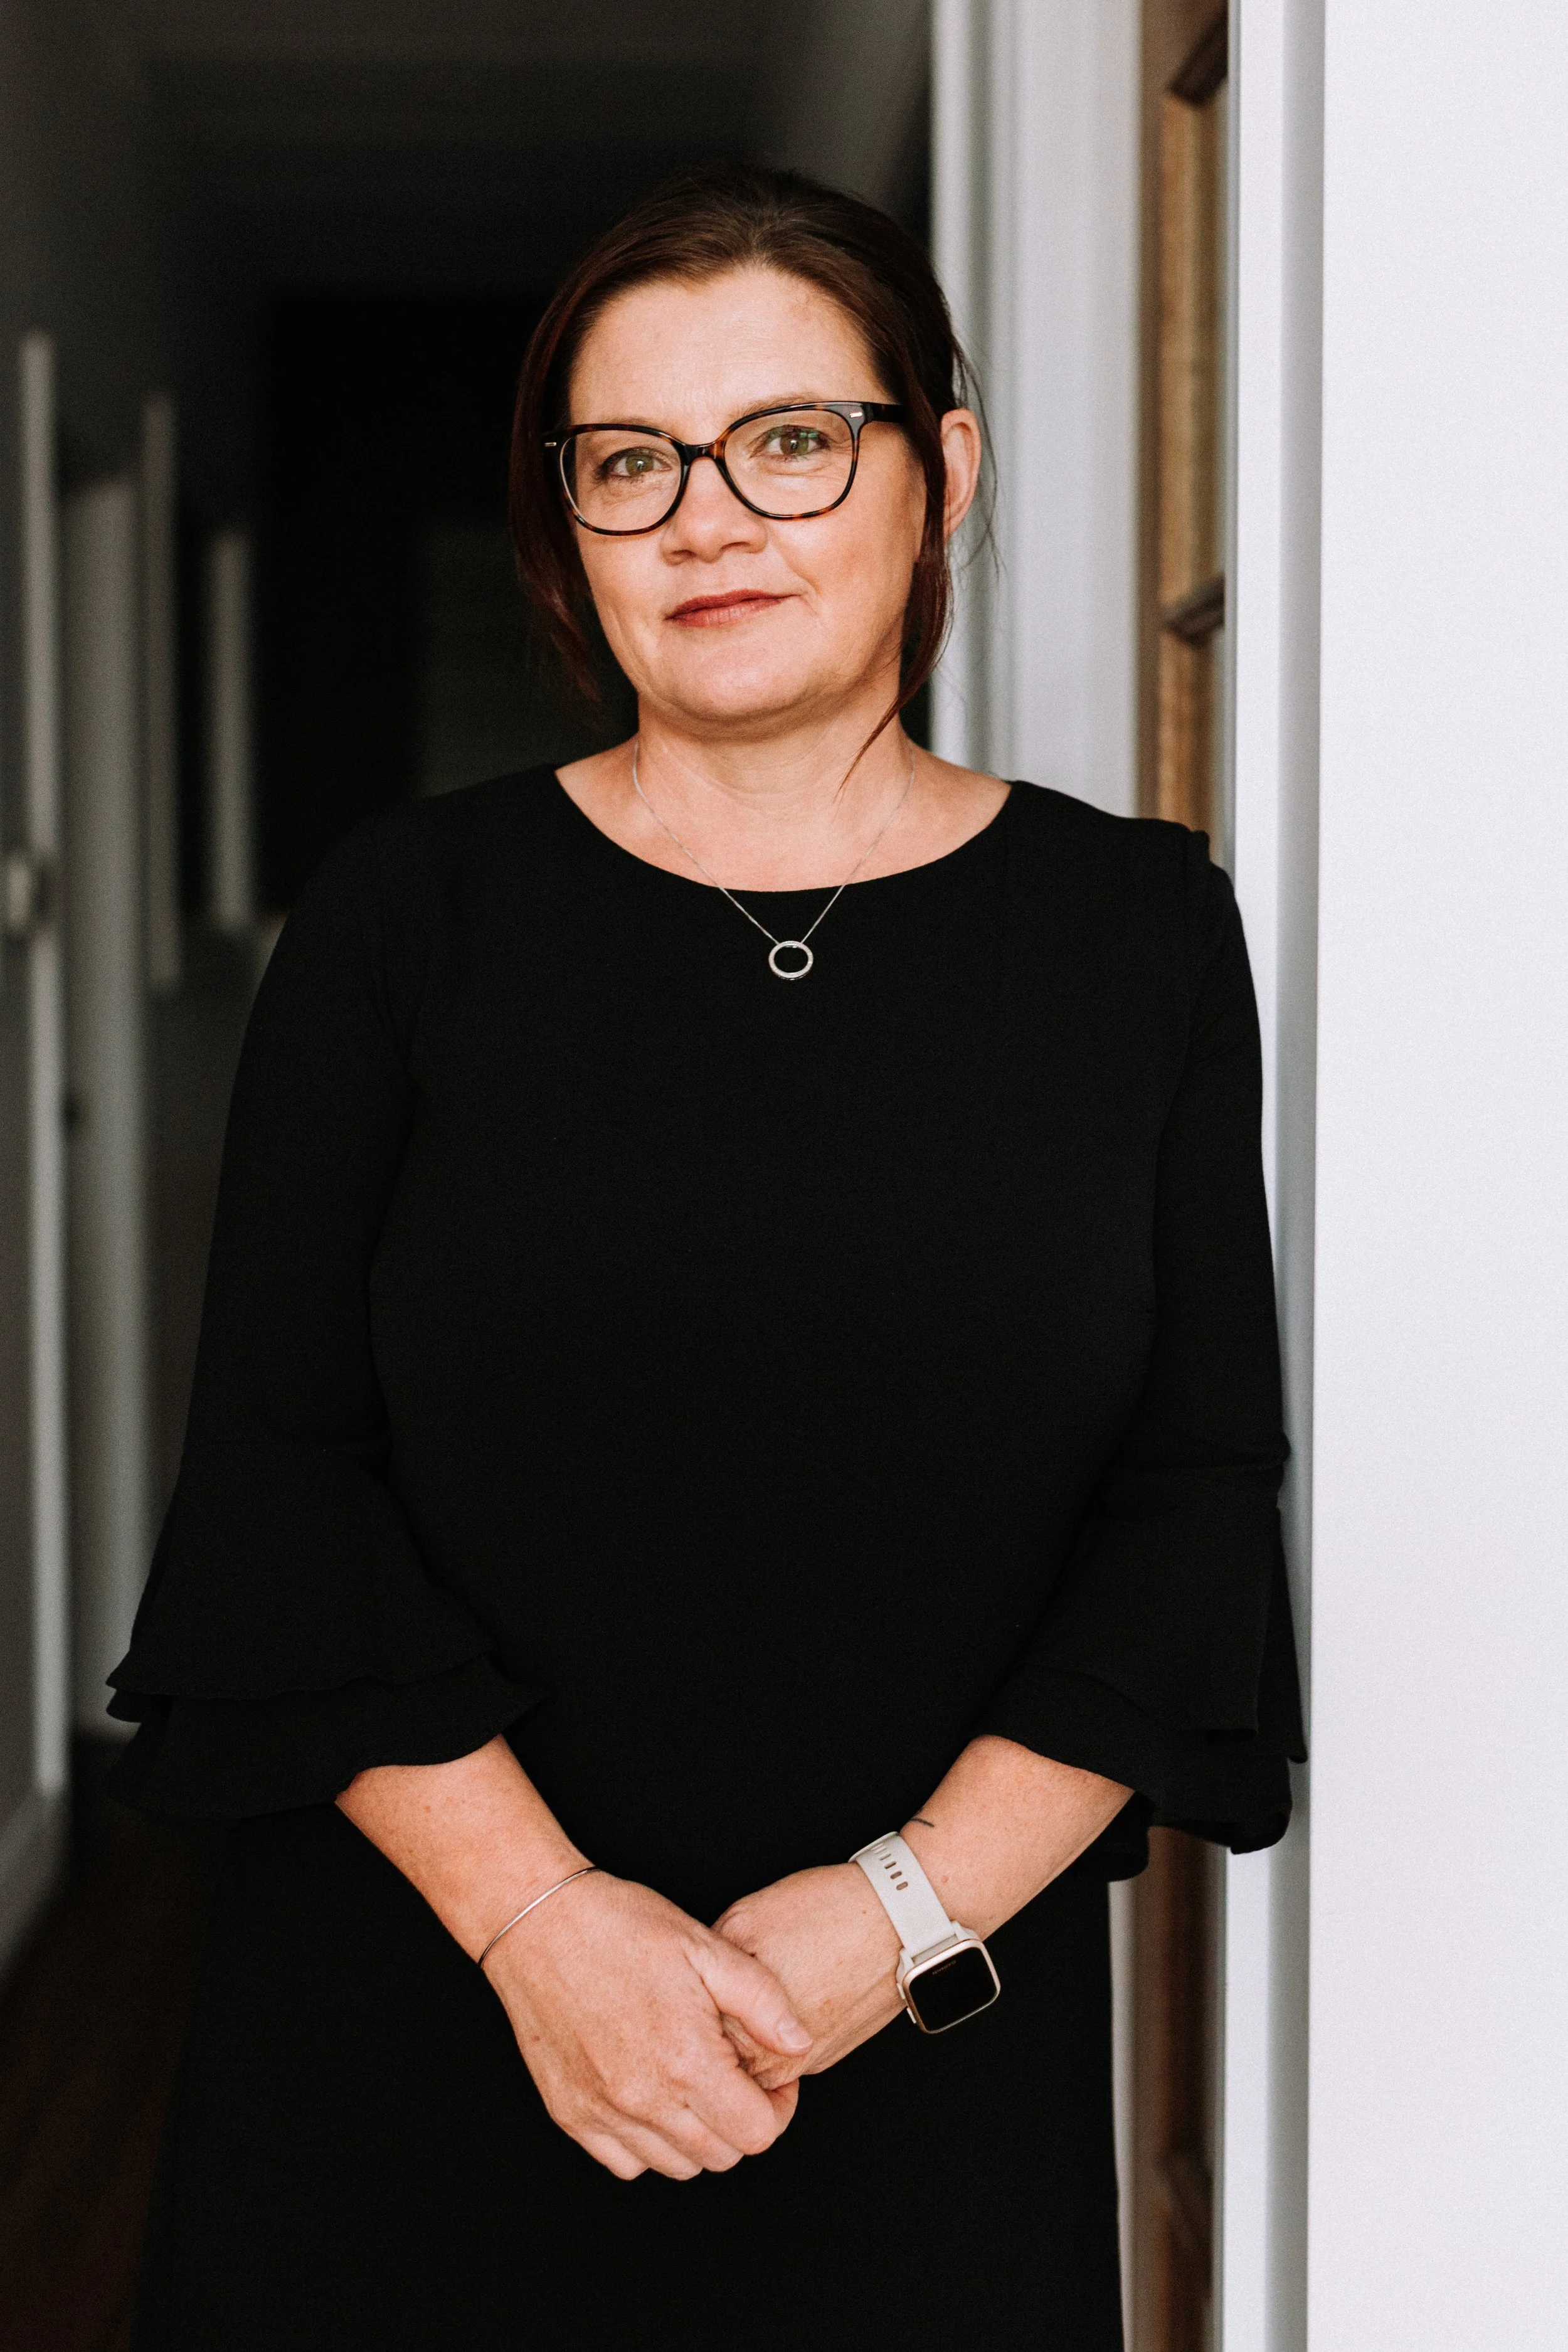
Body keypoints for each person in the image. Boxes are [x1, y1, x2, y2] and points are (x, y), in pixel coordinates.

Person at [114, 165, 1303, 2350]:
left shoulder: (1134, 937)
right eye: (627, 462)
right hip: (423, 2007)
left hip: (920, 2033)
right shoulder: (401, 924)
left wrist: (889, 1919)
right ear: (566, 519)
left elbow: (1192, 1494)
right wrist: (549, 1929)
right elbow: (280, 1485)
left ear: (941, 470)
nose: (703, 520)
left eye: (788, 441)